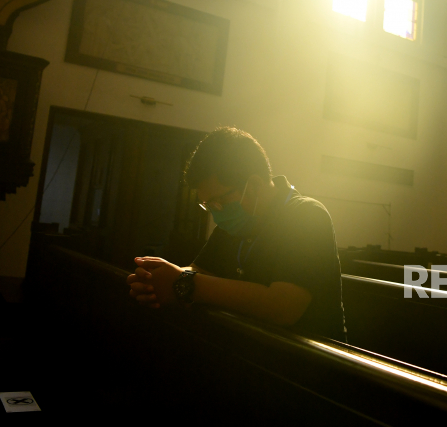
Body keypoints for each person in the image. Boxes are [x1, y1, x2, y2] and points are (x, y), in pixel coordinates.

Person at [126, 126, 347, 342]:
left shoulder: (306, 215)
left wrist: (183, 283)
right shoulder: (235, 223)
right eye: (207, 205)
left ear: (253, 185)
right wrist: (155, 281)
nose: (215, 214)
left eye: (217, 202)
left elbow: (282, 306)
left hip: (311, 363)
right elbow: (199, 271)